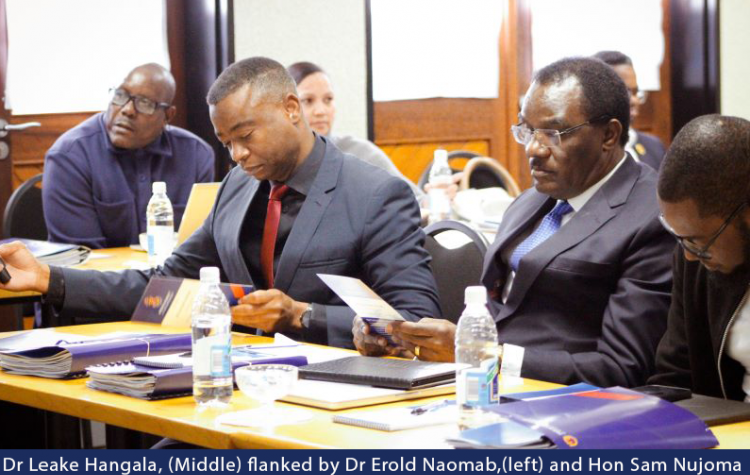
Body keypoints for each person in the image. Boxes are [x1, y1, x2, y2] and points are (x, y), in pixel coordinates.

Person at [0, 57, 440, 348]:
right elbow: (163, 285)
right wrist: (47, 279)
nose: (237, 155)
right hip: (239, 387)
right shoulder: (238, 186)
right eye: (226, 142)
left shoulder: (376, 194)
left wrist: (302, 316)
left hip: (337, 400)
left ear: (291, 109)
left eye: (245, 137)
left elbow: (420, 324)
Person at [355, 57, 674, 387]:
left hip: (571, 407)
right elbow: (496, 317)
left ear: (609, 134)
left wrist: (489, 355)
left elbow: (621, 368)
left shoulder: (650, 218)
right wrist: (409, 341)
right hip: (484, 385)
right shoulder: (530, 202)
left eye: (554, 133)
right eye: (527, 130)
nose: (534, 148)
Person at [43, 63, 215, 249]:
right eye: (120, 95)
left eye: (145, 103)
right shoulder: (70, 156)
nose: (127, 110)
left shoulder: (196, 155)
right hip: (94, 275)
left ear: (168, 115)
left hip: (173, 274)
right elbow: (82, 257)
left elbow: (199, 245)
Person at [649, 114, 750, 401]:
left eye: (697, 242)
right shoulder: (697, 261)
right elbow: (675, 376)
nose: (690, 256)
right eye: (679, 237)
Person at [287, 61, 423, 198]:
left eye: (328, 100)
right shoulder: (277, 162)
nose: (321, 111)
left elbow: (415, 198)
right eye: (308, 101)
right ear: (288, 108)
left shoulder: (359, 151)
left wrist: (439, 195)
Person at [593, 51, 666, 171]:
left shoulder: (654, 147)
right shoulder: (584, 151)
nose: (634, 101)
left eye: (636, 92)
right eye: (625, 92)